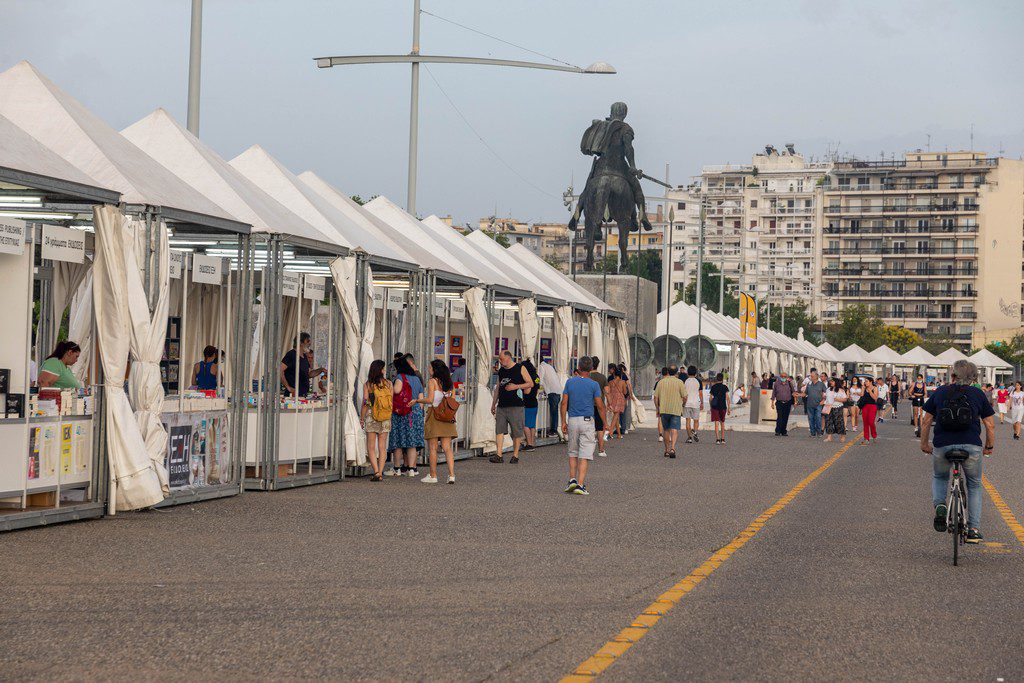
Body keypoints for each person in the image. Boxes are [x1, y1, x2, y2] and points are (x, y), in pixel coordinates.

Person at [921, 360, 995, 544]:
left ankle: (940, 505)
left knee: (940, 477)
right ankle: (973, 529)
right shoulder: (978, 393)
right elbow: (990, 425)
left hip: (943, 445)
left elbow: (926, 420)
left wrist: (924, 443)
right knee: (974, 484)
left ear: (953, 375)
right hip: (971, 446)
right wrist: (989, 446)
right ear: (973, 378)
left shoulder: (940, 392)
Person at [560, 356, 606, 495]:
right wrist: (605, 423)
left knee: (573, 452)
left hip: (573, 419)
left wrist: (563, 421)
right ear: (591, 369)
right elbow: (599, 406)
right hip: (587, 421)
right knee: (584, 454)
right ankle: (580, 484)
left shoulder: (570, 382)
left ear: (578, 368)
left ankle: (572, 480)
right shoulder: (594, 385)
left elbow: (564, 403)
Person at [409, 359, 458, 484]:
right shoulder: (449, 383)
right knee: (447, 448)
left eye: (430, 368)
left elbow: (430, 400)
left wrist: (417, 401)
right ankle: (451, 475)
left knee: (433, 448)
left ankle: (433, 475)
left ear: (435, 370)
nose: (428, 370)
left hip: (434, 416)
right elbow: (452, 401)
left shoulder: (432, 382)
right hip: (447, 418)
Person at [489, 350, 532, 464]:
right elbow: (498, 387)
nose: (500, 361)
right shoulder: (502, 371)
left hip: (516, 405)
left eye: (501, 359)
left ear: (508, 358)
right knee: (499, 430)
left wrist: (516, 386)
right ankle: (499, 454)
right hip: (502, 405)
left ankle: (515, 455)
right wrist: (494, 403)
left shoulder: (520, 368)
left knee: (516, 431)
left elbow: (530, 383)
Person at [386, 355, 425, 477]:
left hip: (401, 413)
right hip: (415, 413)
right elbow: (421, 399)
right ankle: (412, 469)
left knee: (398, 441)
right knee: (411, 442)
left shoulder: (400, 377)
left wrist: (388, 387)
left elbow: (397, 390)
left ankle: (397, 468)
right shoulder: (416, 379)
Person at [359, 359, 392, 481]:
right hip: (385, 417)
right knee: (382, 447)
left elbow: (365, 403)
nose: (384, 371)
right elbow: (390, 402)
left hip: (371, 417)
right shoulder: (388, 384)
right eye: (383, 368)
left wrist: (362, 418)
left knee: (371, 447)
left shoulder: (368, 385)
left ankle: (376, 472)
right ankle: (381, 471)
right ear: (380, 370)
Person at [653, 366, 687, 458]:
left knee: (666, 430)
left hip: (664, 409)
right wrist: (683, 405)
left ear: (668, 371)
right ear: (677, 372)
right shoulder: (680, 382)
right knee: (674, 429)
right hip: (676, 409)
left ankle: (666, 450)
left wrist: (657, 408)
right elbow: (685, 396)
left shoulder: (661, 382)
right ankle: (673, 448)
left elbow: (655, 398)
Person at [280, 333, 316, 397]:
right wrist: (288, 387)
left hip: (303, 394)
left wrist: (321, 370)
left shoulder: (304, 356)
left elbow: (309, 374)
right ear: (301, 343)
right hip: (293, 396)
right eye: (307, 341)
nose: (309, 343)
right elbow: (280, 371)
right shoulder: (291, 355)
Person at [539, 358, 564, 442]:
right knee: (555, 412)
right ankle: (554, 430)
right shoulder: (549, 366)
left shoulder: (541, 367)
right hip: (557, 390)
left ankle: (553, 431)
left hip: (552, 391)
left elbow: (540, 380)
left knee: (553, 412)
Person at [588, 356, 610, 454]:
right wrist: (609, 403)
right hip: (599, 405)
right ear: (598, 365)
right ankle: (601, 450)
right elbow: (607, 391)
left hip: (587, 405)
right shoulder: (602, 377)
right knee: (600, 428)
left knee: (588, 428)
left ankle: (588, 450)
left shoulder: (587, 376)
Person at [521, 358, 541, 451]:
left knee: (525, 425)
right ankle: (532, 443)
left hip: (527, 403)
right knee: (532, 425)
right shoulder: (536, 377)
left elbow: (527, 391)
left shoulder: (527, 378)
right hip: (534, 402)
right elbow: (536, 389)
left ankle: (529, 444)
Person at [770, 370, 797, 436]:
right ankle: (778, 431)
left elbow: (793, 392)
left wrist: (795, 401)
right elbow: (774, 393)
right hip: (779, 402)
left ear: (787, 377)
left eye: (784, 376)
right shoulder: (776, 383)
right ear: (780, 377)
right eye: (782, 376)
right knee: (779, 417)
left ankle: (784, 431)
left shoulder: (789, 383)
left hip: (788, 402)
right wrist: (772, 403)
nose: (783, 377)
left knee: (785, 417)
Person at [802, 369, 826, 438]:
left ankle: (819, 432)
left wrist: (823, 400)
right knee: (811, 418)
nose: (811, 377)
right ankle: (812, 433)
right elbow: (805, 393)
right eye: (810, 376)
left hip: (818, 404)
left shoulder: (821, 384)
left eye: (812, 376)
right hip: (809, 404)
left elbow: (826, 393)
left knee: (818, 418)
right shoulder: (809, 384)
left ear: (816, 376)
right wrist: (799, 395)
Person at [606, 366, 628, 438]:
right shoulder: (622, 382)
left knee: (616, 417)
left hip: (612, 399)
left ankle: (619, 434)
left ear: (615, 375)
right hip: (620, 399)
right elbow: (625, 392)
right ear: (620, 375)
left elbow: (608, 391)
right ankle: (610, 432)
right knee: (616, 416)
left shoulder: (610, 382)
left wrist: (608, 402)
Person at [823, 378, 847, 443]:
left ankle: (842, 435)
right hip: (828, 407)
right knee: (828, 422)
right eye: (831, 381)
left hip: (837, 407)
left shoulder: (841, 390)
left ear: (836, 382)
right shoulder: (828, 389)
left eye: (833, 381)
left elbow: (845, 399)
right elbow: (825, 397)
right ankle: (829, 437)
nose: (831, 382)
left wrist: (838, 399)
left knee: (839, 421)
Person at [683, 365, 703, 444]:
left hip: (687, 403)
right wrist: (701, 403)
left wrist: (683, 402)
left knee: (688, 421)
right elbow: (700, 393)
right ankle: (694, 431)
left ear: (688, 373)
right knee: (696, 420)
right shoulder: (699, 381)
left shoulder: (685, 381)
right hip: (695, 403)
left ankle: (689, 438)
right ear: (695, 373)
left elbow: (684, 393)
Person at [709, 372, 730, 445]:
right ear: (722, 379)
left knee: (716, 423)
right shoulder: (725, 387)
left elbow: (710, 398)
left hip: (715, 407)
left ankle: (717, 439)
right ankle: (723, 439)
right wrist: (729, 408)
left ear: (716, 378)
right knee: (722, 423)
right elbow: (727, 398)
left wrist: (710, 406)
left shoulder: (713, 387)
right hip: (723, 406)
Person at [860, 377, 879, 444]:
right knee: (865, 422)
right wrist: (863, 389)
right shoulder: (864, 388)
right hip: (865, 406)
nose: (865, 382)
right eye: (865, 381)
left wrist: (870, 391)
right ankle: (866, 438)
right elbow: (861, 396)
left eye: (867, 381)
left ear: (871, 382)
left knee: (871, 422)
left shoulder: (875, 388)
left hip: (873, 406)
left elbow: (875, 398)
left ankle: (874, 436)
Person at [617, 363, 634, 435]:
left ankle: (622, 427)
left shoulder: (619, 376)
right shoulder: (624, 375)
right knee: (624, 411)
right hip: (625, 395)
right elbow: (629, 385)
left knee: (620, 412)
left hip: (620, 395)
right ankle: (624, 428)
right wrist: (630, 394)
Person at [655, 366, 670, 442]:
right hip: (670, 403)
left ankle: (660, 435)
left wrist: (657, 407)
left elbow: (655, 396)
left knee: (660, 420)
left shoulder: (658, 382)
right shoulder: (672, 382)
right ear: (668, 373)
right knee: (669, 419)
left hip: (661, 403)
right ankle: (668, 435)